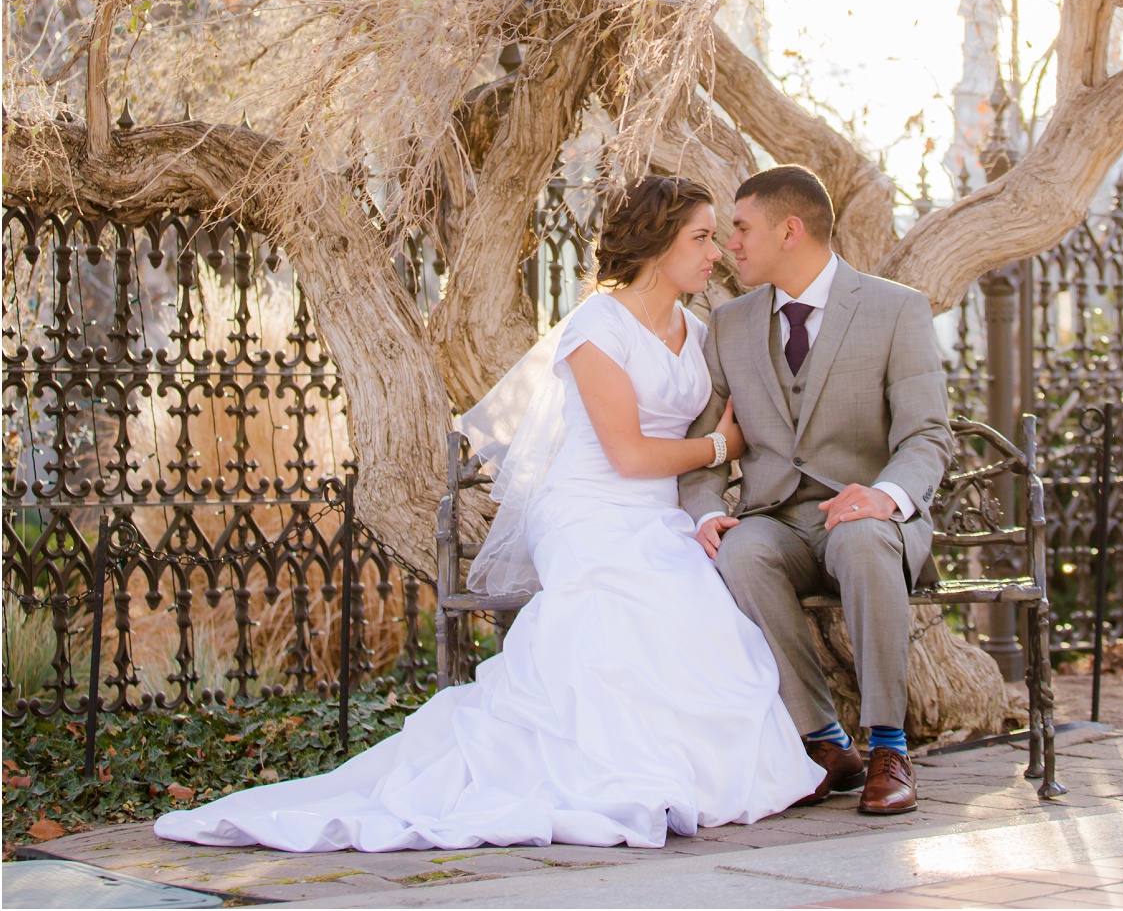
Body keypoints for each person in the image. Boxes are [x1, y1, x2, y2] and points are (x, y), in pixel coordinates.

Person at [155, 176, 824, 853]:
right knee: (625, 607)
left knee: (701, 611)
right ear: (657, 244)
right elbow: (625, 452)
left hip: (659, 514)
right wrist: (720, 445)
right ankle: (605, 771)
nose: (716, 253)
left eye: (717, 237)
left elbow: (707, 441)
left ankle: (693, 770)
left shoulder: (699, 330)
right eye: (702, 238)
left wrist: (721, 477)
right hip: (588, 507)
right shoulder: (598, 327)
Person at [680, 165, 953, 817]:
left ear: (790, 230)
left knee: (860, 539)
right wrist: (706, 514)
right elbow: (703, 451)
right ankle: (827, 742)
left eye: (741, 229)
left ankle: (890, 747)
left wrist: (886, 495)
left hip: (871, 519)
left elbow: (928, 436)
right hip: (779, 518)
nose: (731, 245)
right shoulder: (730, 324)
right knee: (741, 552)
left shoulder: (896, 309)